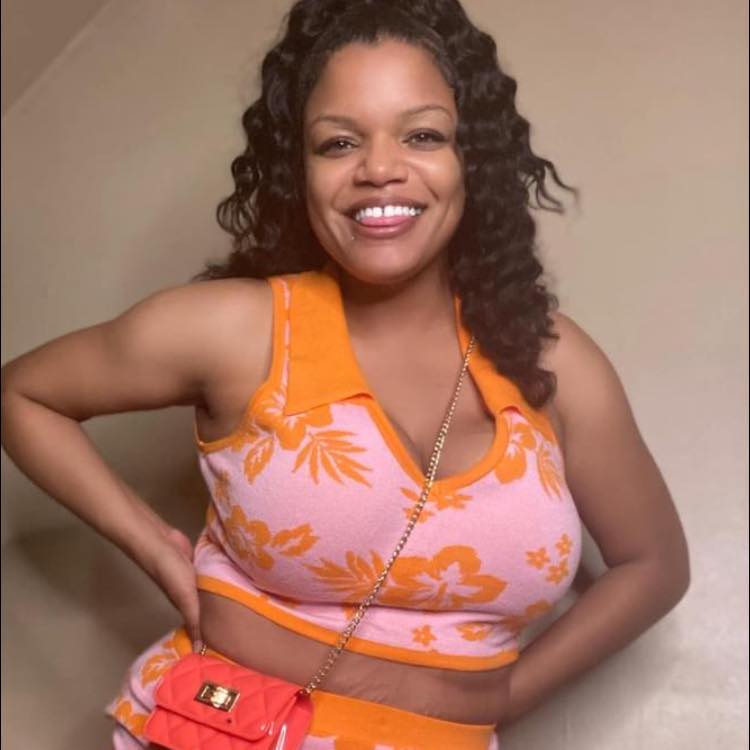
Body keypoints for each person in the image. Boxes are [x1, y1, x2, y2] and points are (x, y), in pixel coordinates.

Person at [0, 1, 690, 748]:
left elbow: (653, 565)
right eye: (338, 142)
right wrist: (158, 552)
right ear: (299, 171)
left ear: (473, 160)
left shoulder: (552, 360)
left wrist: (508, 694)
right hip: (223, 729)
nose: (379, 168)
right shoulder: (237, 330)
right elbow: (23, 393)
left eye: (422, 135)